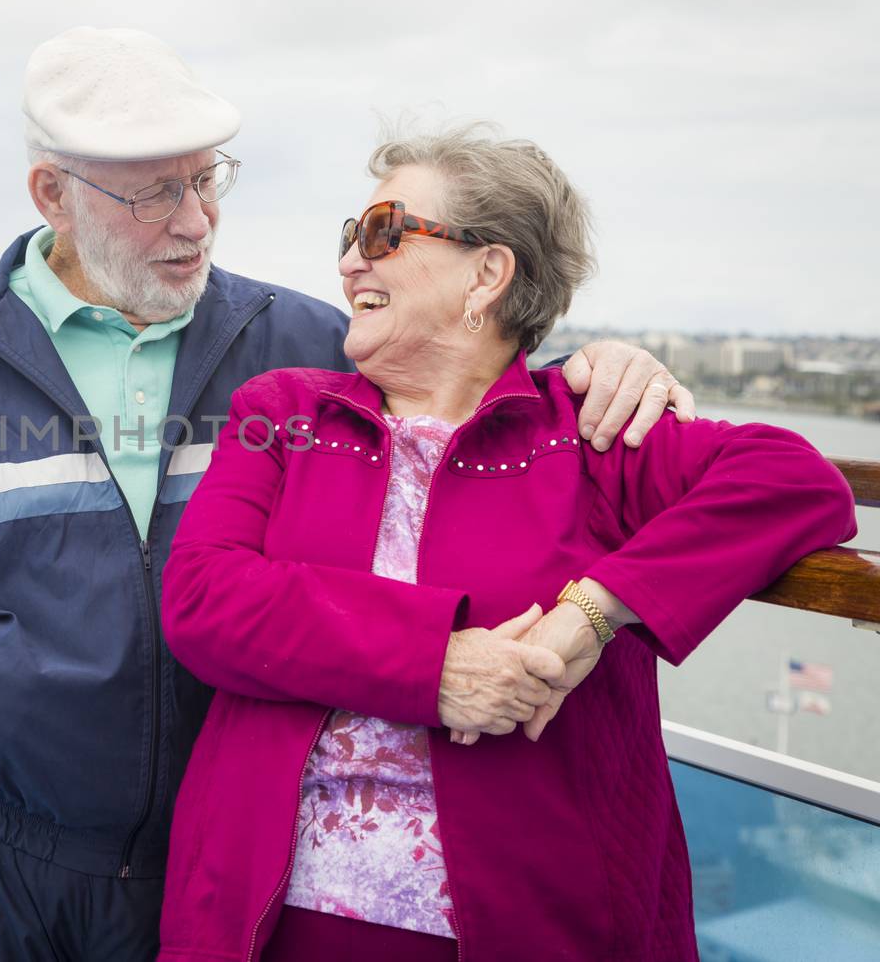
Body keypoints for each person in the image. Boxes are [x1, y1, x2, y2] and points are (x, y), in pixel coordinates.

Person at [0, 30, 692, 961]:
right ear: (54, 194)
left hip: (208, 862)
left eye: (208, 181)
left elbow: (464, 384)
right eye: (155, 193)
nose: (196, 220)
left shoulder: (301, 344)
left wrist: (596, 370)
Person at [155, 125, 857, 962]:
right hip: (266, 921)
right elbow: (201, 597)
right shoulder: (286, 411)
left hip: (529, 924)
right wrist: (434, 666)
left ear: (486, 273)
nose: (349, 263)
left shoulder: (589, 433)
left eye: (380, 231)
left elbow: (798, 480)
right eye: (349, 238)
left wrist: (590, 614)